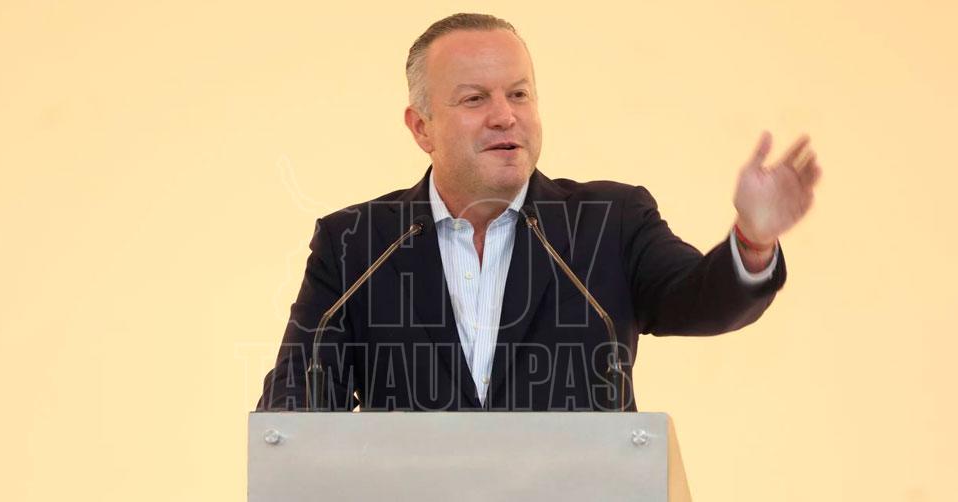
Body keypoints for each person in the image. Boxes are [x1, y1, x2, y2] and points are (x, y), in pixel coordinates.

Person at [256, 13, 821, 412]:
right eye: (475, 98)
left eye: (519, 94)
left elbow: (701, 301)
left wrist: (753, 241)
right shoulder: (356, 243)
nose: (505, 116)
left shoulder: (611, 222)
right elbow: (296, 402)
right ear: (422, 128)